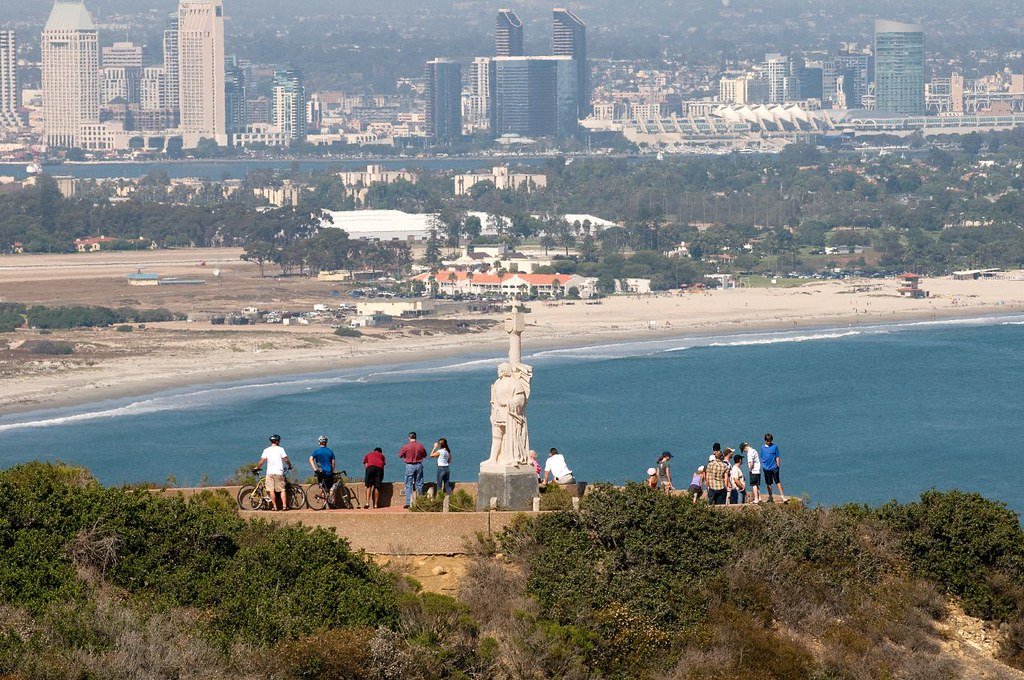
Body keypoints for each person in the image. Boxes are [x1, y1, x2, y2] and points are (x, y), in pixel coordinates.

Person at [252, 434, 292, 511]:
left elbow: (261, 461)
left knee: (271, 490)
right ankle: (284, 506)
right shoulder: (281, 449)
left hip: (269, 472)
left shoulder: (266, 450)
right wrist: (289, 465)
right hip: (279, 472)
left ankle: (275, 507)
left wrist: (257, 468)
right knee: (282, 489)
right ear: (277, 441)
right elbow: (286, 459)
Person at [398, 432, 427, 508]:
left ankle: (408, 503)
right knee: (419, 483)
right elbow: (425, 455)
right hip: (419, 465)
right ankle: (420, 502)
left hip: (410, 465)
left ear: (409, 437)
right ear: (416, 437)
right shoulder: (420, 446)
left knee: (408, 484)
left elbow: (400, 455)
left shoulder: (406, 446)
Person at [760, 433, 788, 503]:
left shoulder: (775, 447)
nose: (769, 442)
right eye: (768, 441)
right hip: (766, 468)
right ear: (765, 440)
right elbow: (762, 456)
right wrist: (763, 465)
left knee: (777, 482)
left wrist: (778, 466)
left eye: (770, 441)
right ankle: (770, 497)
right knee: (768, 483)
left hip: (774, 467)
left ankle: (782, 496)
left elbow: (777, 456)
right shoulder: (762, 447)